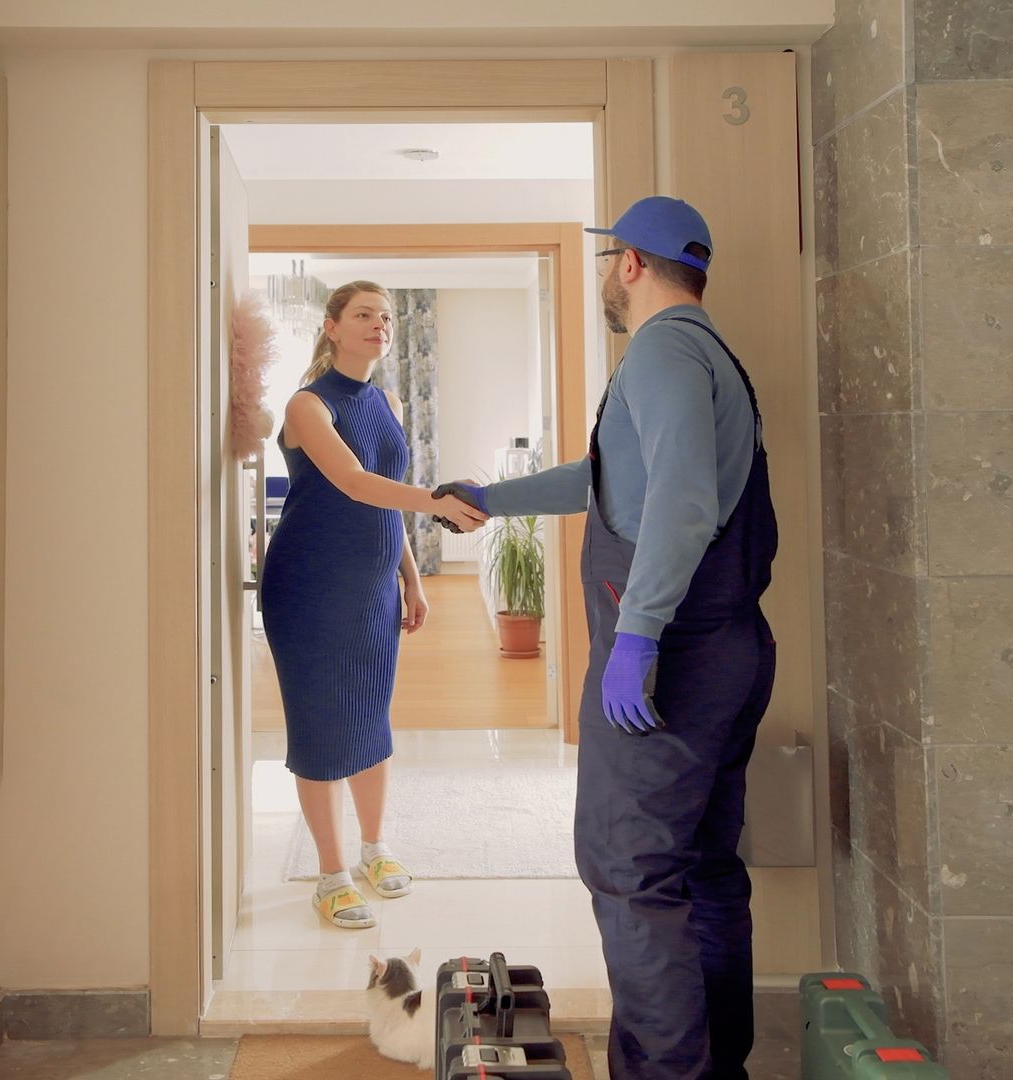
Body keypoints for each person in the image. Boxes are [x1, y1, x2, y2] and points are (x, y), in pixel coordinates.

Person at [435, 198, 778, 1079]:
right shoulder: (707, 354)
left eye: (606, 259)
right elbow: (612, 480)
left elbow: (683, 501)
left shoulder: (661, 351)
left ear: (630, 263)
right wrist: (495, 496)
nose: (603, 274)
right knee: (701, 869)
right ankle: (713, 1067)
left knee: (630, 874)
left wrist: (638, 637)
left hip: (672, 664)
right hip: (727, 648)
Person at [259, 280, 487, 931]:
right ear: (332, 327)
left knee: (369, 721)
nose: (379, 325)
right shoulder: (307, 404)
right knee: (320, 730)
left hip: (371, 589)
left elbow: (386, 500)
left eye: (385, 317)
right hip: (309, 587)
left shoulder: (385, 399)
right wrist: (440, 503)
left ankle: (374, 849)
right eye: (363, 314)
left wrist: (409, 577)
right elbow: (356, 484)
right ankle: (331, 876)